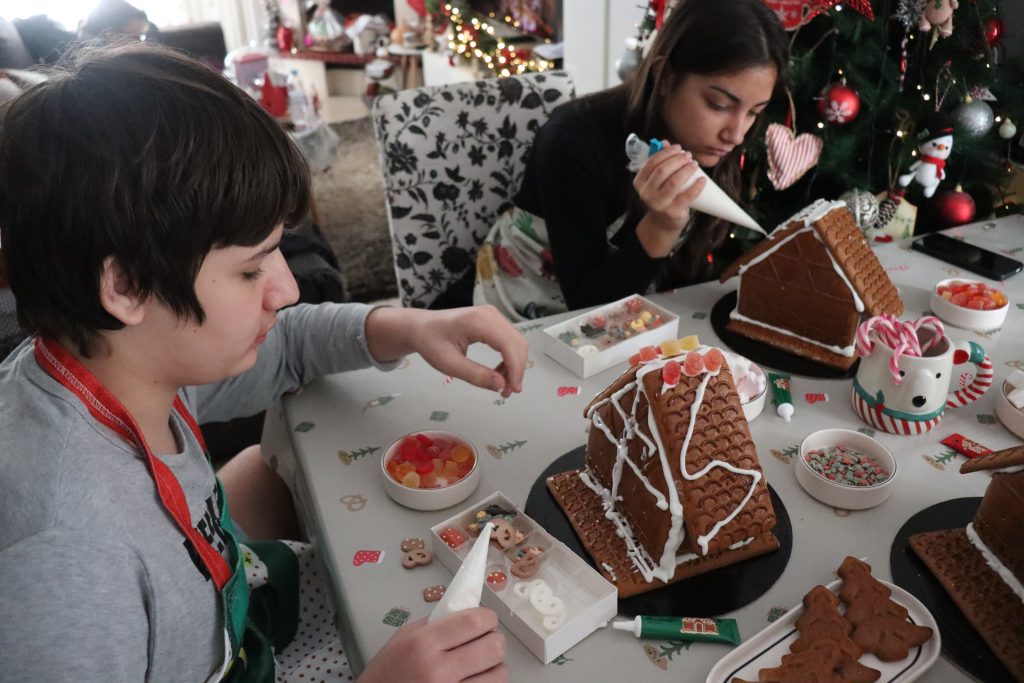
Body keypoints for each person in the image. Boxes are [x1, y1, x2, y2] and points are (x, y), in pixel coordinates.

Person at [0, 43, 521, 682]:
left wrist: (409, 326)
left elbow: (288, 344)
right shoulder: (65, 563)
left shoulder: (121, 359)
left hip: (233, 609)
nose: (288, 289)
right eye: (251, 270)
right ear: (129, 286)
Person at [473, 0, 788, 321]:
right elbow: (588, 309)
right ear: (664, 76)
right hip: (520, 319)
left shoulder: (713, 143)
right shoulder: (572, 139)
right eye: (719, 105)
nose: (736, 135)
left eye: (754, 112)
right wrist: (660, 227)